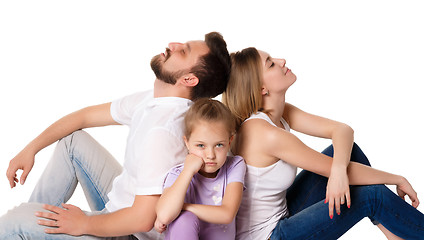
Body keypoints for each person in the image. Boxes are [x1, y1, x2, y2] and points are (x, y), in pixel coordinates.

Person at [0, 32, 231, 240]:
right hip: (117, 206)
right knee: (73, 143)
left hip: (130, 233)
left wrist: (85, 223)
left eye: (183, 51)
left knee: (14, 221)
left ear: (188, 80)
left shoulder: (163, 129)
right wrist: (30, 149)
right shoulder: (153, 100)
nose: (173, 44)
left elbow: (144, 219)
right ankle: (38, 229)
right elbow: (84, 117)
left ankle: (29, 228)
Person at [222, 47, 424, 239]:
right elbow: (330, 168)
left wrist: (337, 169)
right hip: (271, 235)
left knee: (348, 154)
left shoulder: (278, 113)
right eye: (271, 64)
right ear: (262, 89)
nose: (281, 61)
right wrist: (397, 178)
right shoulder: (263, 133)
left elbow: (342, 130)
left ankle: (396, 235)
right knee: (372, 195)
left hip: (282, 214)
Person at [154, 98, 246, 240]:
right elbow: (164, 216)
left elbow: (227, 214)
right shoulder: (178, 174)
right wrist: (188, 171)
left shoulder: (234, 166)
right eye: (201, 146)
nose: (210, 155)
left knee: (183, 213)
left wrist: (183, 207)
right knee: (185, 219)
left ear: (230, 141)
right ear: (187, 142)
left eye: (219, 145)